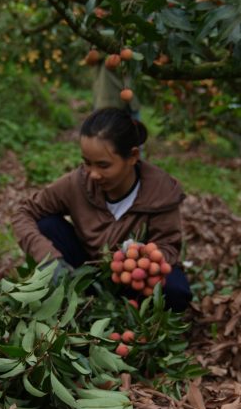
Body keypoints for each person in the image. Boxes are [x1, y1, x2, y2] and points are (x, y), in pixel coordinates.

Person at [12, 107, 192, 312]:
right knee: (46, 224)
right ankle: (82, 299)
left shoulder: (160, 192)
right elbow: (24, 212)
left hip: (133, 281)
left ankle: (135, 312)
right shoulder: (77, 184)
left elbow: (168, 247)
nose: (93, 174)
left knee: (176, 290)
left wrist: (140, 258)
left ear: (133, 156)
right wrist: (48, 259)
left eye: (103, 165)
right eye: (87, 163)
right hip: (86, 270)